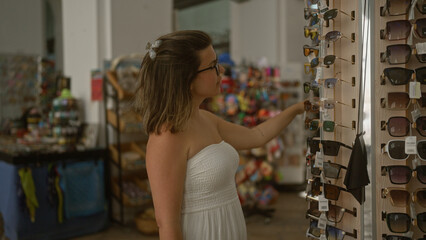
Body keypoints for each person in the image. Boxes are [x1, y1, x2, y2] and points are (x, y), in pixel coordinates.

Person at [133, 30, 306, 240]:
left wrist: (298, 108)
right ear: (186, 79)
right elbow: (167, 225)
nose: (222, 69)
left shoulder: (204, 118)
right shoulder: (167, 137)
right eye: (213, 65)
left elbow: (257, 135)